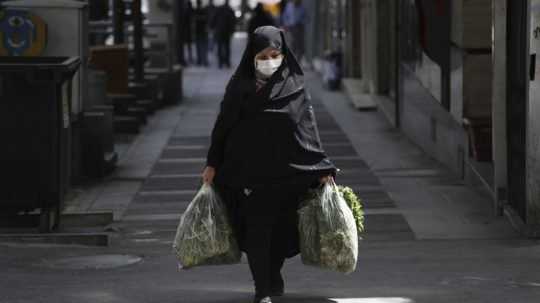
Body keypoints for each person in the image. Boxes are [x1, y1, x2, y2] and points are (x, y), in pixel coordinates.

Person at [202, 26, 337, 303]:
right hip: (248, 173)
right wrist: (212, 163)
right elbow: (222, 127)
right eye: (263, 55)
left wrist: (322, 167)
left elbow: (308, 128)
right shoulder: (239, 87)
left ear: (283, 54)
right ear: (252, 56)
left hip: (289, 173)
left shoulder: (295, 85)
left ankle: (273, 274)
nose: (269, 60)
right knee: (257, 230)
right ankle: (262, 289)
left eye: (275, 54)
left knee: (282, 230)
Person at [212, 0, 236, 68]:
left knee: (220, 47)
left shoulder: (219, 9)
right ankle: (227, 62)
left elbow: (214, 19)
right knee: (227, 47)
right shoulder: (230, 10)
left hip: (220, 31)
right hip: (227, 32)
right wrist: (232, 30)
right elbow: (233, 21)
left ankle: (220, 62)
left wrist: (212, 26)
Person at [194, 0, 209, 66]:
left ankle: (200, 60)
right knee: (203, 47)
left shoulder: (196, 11)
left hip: (199, 31)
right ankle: (203, 60)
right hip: (202, 31)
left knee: (199, 47)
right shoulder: (203, 11)